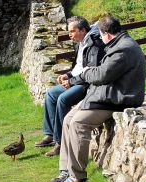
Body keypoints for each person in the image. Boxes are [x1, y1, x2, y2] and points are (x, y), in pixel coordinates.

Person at [51, 15, 146, 182]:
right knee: (67, 120)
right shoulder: (118, 44)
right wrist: (84, 75)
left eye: (100, 35)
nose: (100, 39)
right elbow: (101, 73)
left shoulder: (123, 49)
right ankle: (65, 169)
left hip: (117, 99)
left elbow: (102, 75)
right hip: (105, 96)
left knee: (78, 123)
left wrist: (85, 74)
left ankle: (76, 176)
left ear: (106, 34)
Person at [35, 16, 105, 157]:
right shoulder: (81, 42)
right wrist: (68, 75)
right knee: (51, 94)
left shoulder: (94, 43)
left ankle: (60, 143)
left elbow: (90, 72)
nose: (69, 35)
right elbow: (78, 67)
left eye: (72, 31)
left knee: (62, 99)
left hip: (88, 85)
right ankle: (50, 135)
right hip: (77, 80)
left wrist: (72, 82)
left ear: (83, 30)